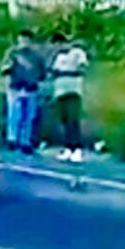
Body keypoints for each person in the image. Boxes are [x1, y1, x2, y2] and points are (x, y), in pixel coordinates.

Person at [1, 29, 47, 155]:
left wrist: (37, 82)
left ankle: (25, 141)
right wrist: (10, 70)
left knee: (29, 116)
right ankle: (12, 139)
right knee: (15, 114)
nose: (24, 42)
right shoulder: (12, 53)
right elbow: (5, 69)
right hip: (15, 87)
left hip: (31, 88)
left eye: (27, 40)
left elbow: (42, 73)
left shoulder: (37, 56)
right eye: (22, 39)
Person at [49, 32, 89, 163]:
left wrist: (67, 71)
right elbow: (53, 70)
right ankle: (68, 147)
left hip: (73, 90)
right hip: (60, 91)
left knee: (73, 120)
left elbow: (82, 68)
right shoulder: (59, 57)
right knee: (64, 120)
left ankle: (77, 148)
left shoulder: (77, 53)